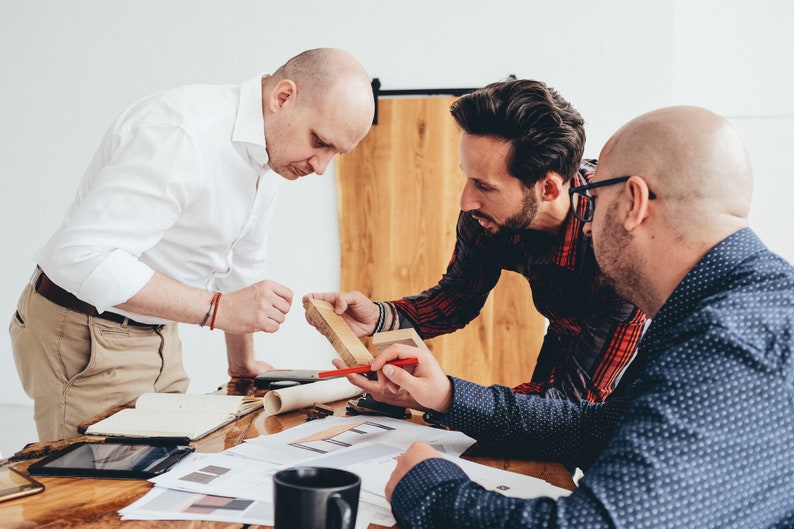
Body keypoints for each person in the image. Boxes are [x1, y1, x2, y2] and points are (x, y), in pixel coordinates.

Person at [336, 106, 794, 528]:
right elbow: (596, 428)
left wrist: (430, 491)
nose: (589, 222)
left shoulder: (735, 340)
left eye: (595, 195)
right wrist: (448, 396)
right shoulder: (710, 311)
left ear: (633, 202)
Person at [10, 48, 375, 442]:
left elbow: (242, 268)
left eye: (336, 153)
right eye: (319, 142)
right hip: (84, 331)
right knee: (95, 490)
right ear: (282, 98)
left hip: (158, 332)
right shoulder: (181, 132)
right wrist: (218, 309)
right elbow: (81, 258)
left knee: (164, 475)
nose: (321, 166)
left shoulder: (271, 152)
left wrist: (242, 362)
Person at [307, 79, 646, 403]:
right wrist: (381, 317)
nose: (466, 201)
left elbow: (573, 402)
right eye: (468, 179)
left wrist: (447, 397)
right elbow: (457, 298)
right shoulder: (486, 217)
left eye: (484, 186)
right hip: (564, 336)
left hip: (638, 362)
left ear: (548, 189)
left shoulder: (617, 251)